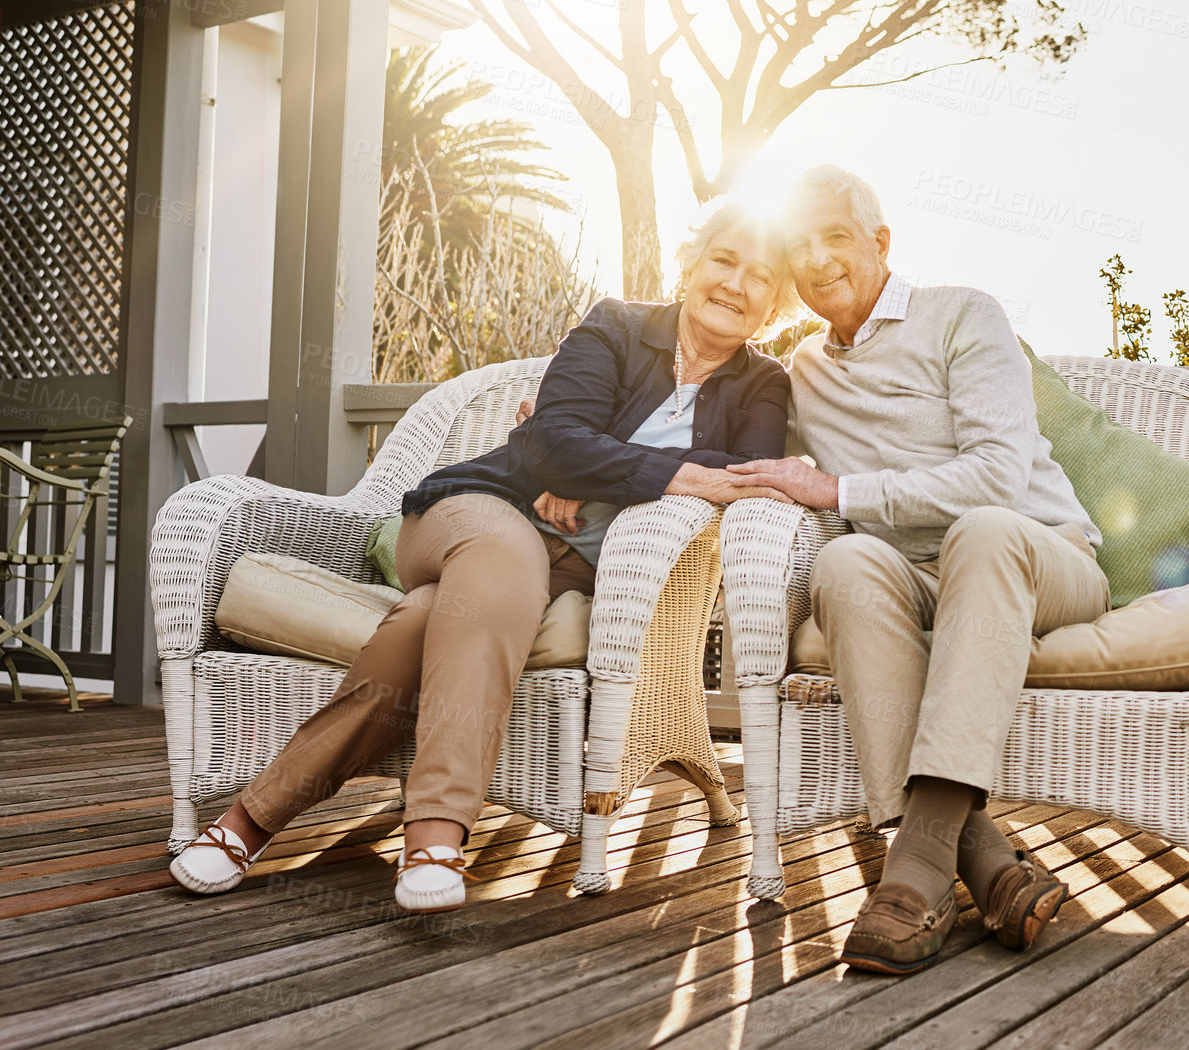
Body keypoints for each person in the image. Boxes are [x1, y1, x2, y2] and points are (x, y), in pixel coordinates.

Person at [170, 199, 798, 912]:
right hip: (475, 511)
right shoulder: (616, 326)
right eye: (724, 259)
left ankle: (247, 822)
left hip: (571, 568)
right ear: (691, 264)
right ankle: (436, 832)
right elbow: (554, 439)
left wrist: (591, 465)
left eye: (761, 275)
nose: (736, 283)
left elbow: (746, 474)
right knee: (502, 557)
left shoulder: (763, 383)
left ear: (774, 302)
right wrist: (606, 462)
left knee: (425, 622)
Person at [729, 165, 1109, 973]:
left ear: (881, 242)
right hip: (914, 578)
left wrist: (840, 487)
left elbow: (998, 477)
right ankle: (985, 864)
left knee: (982, 531)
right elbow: (713, 424)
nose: (819, 258)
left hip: (1038, 556)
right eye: (800, 244)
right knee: (846, 558)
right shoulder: (802, 370)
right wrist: (561, 426)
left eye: (836, 235)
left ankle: (916, 869)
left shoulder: (961, 314)